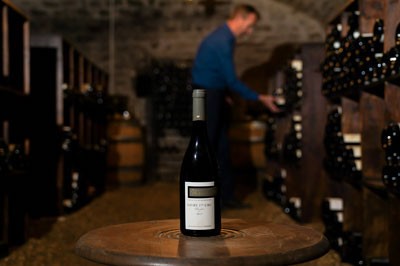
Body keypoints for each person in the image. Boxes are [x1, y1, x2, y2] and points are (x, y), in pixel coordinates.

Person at [191, 4, 281, 209]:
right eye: (251, 25)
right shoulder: (222, 40)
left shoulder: (225, 37)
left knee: (221, 147)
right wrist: (260, 98)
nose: (250, 31)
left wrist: (224, 95)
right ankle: (205, 199)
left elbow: (218, 75)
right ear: (243, 17)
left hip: (214, 94)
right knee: (209, 147)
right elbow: (231, 80)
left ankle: (225, 197)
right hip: (208, 95)